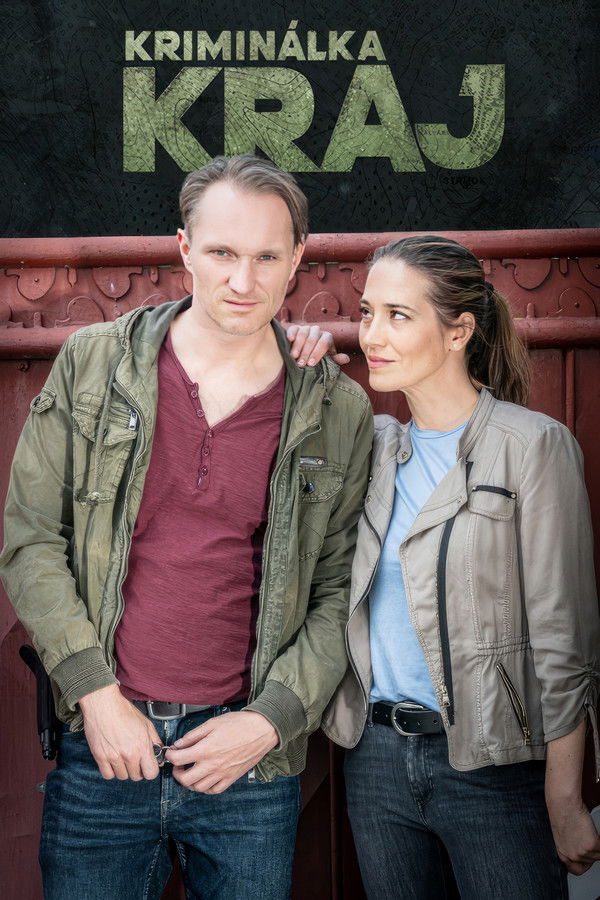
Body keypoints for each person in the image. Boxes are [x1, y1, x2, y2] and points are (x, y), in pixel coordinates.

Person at [0, 154, 373, 900]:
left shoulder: (335, 408)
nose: (244, 280)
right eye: (222, 253)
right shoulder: (93, 364)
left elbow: (340, 590)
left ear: (298, 257)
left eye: (267, 256)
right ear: (184, 250)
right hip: (105, 748)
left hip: (247, 764)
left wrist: (270, 721)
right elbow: (32, 538)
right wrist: (95, 696)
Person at [322, 235, 600, 899]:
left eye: (398, 315)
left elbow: (564, 641)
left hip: (493, 767)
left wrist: (564, 797)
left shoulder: (532, 446)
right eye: (367, 313)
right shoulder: (374, 449)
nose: (372, 335)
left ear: (459, 331)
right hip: (376, 761)